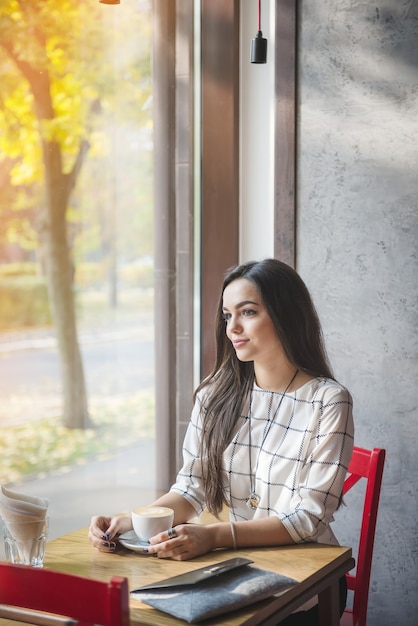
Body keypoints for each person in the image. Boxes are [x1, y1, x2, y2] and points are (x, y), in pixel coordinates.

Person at [88, 258, 354, 624]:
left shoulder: (328, 400)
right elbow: (191, 487)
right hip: (234, 573)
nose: (233, 327)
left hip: (306, 583)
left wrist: (213, 537)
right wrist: (131, 521)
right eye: (228, 315)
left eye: (248, 312)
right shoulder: (215, 395)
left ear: (286, 314)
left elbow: (307, 519)